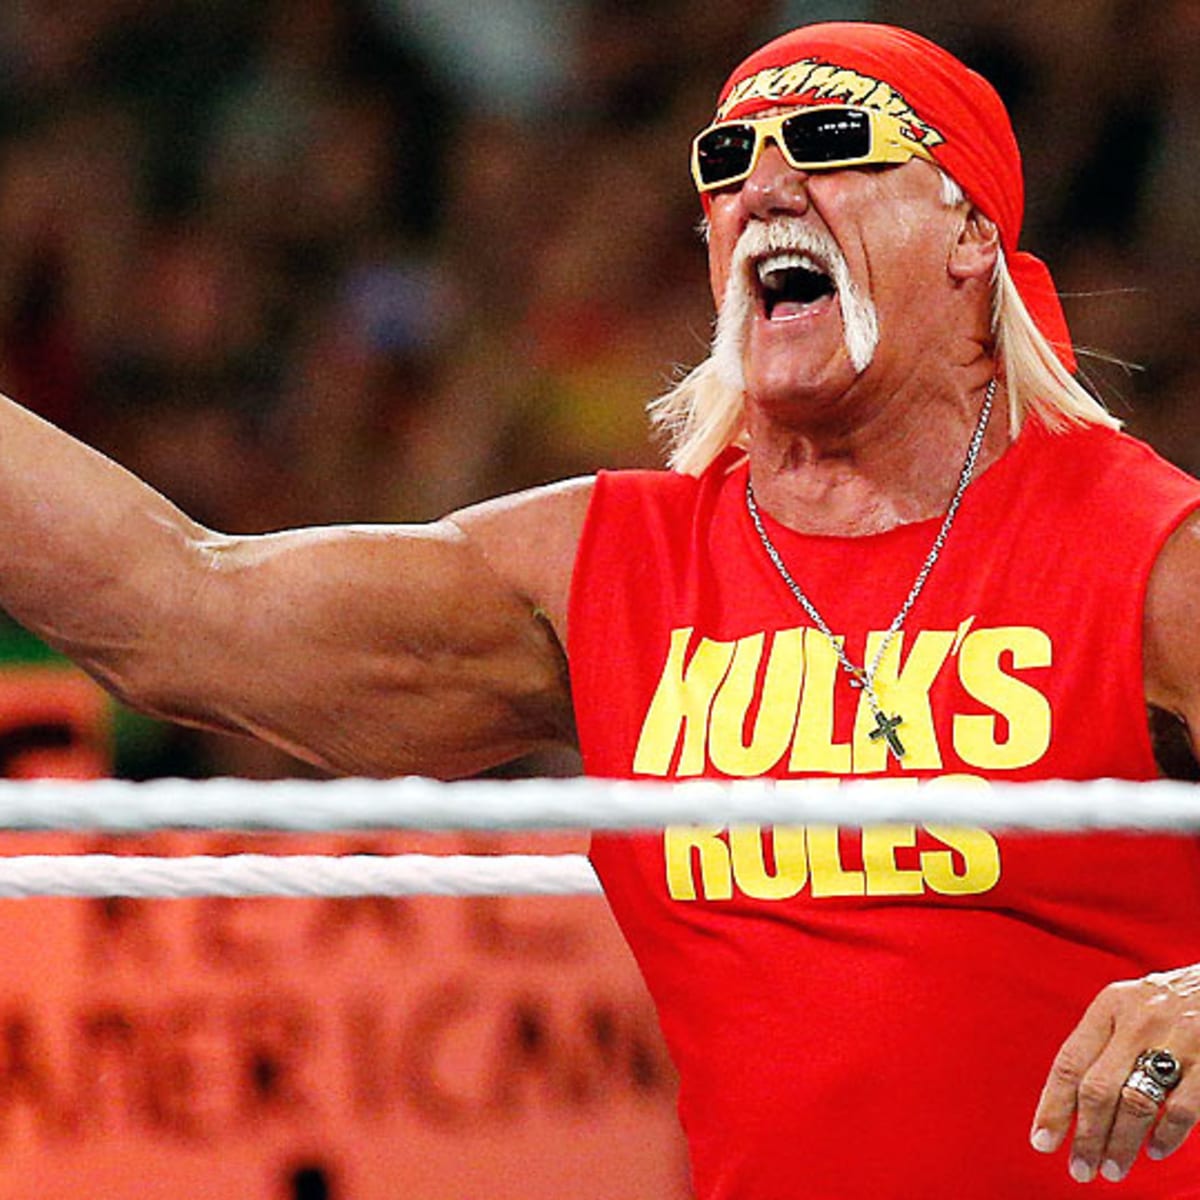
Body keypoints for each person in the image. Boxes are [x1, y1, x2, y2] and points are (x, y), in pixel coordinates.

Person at [1, 18, 1199, 1198]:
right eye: (726, 163)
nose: (764, 188)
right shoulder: (612, 569)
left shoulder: (1145, 550)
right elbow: (186, 608)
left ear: (971, 231)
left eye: (832, 142)